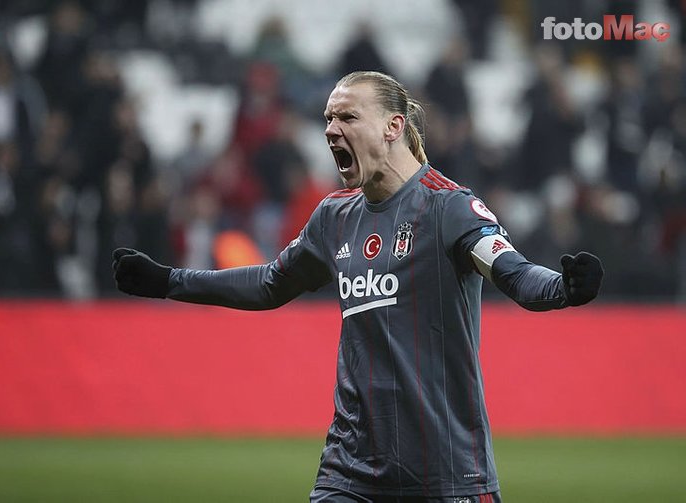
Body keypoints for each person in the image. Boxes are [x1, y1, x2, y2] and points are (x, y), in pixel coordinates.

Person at [112, 71, 604, 502]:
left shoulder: (450, 208)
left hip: (448, 473)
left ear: (393, 127)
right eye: (327, 119)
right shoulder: (334, 217)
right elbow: (269, 284)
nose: (330, 130)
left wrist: (563, 288)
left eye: (347, 117)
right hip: (350, 473)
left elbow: (513, 272)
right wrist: (170, 281)